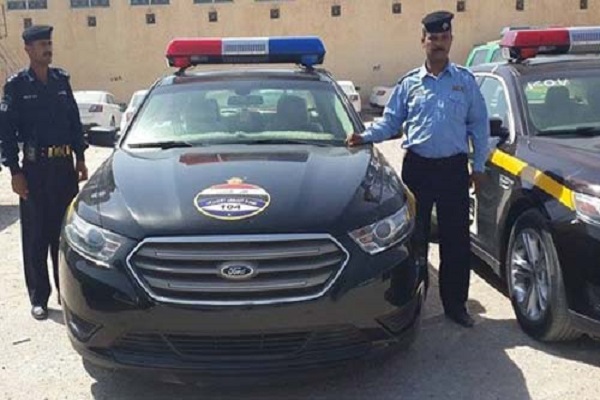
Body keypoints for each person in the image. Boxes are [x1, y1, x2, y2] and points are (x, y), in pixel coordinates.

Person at [348, 11, 490, 327]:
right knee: (415, 239)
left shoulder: (465, 82)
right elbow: (390, 123)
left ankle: (456, 306)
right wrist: (364, 136)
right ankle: (414, 304)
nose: (438, 43)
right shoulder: (409, 84)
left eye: (443, 37)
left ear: (450, 40)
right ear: (422, 41)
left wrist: (478, 166)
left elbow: (479, 127)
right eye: (432, 38)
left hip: (454, 170)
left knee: (456, 241)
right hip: (418, 169)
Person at [0, 25, 88, 320]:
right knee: (36, 235)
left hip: (64, 169)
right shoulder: (17, 86)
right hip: (34, 171)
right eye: (41, 44)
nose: (47, 48)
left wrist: (80, 158)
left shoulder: (61, 81)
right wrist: (14, 171)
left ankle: (67, 293)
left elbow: (74, 121)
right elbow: (6, 133)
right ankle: (39, 297)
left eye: (49, 43)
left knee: (64, 233)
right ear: (27, 49)